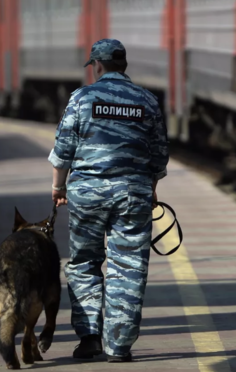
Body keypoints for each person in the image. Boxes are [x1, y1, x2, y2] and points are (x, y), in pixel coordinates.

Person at [48, 38, 168, 363]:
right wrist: (151, 188)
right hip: (133, 192)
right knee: (128, 265)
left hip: (87, 192)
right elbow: (158, 157)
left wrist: (58, 188)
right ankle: (119, 346)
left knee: (84, 261)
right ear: (124, 65)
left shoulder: (82, 98)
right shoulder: (148, 101)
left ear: (97, 66)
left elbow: (63, 153)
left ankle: (89, 339)